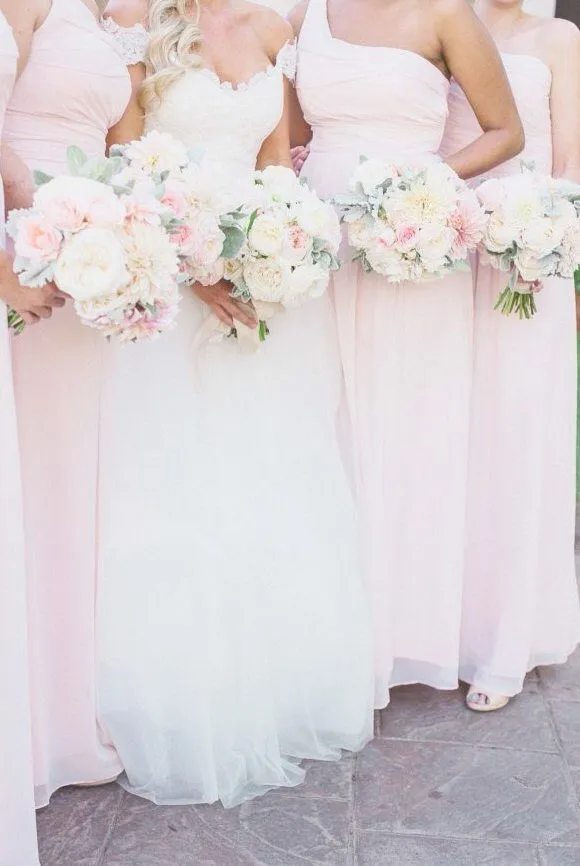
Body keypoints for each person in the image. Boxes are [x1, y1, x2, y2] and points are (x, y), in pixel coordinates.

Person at [95, 0, 374, 808]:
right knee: (175, 480)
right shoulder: (133, 21)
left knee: (270, 476)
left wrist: (276, 246)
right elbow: (126, 167)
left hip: (260, 294)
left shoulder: (274, 29)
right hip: (170, 284)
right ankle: (177, 694)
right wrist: (195, 268)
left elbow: (275, 165)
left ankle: (278, 683)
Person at [289, 0, 523, 707]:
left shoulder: (447, 13)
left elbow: (505, 131)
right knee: (327, 431)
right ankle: (331, 632)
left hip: (412, 244)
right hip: (320, 244)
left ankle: (407, 634)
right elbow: (298, 135)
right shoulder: (309, 13)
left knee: (410, 433)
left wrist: (425, 190)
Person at [0, 0, 140, 806]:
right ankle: (33, 719)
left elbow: (128, 151)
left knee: (81, 491)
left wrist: (143, 240)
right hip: (31, 262)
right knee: (36, 492)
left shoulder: (101, 15)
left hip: (93, 272)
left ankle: (68, 701)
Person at [440, 0, 580, 711]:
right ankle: (445, 626)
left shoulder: (558, 38)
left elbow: (569, 158)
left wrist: (547, 238)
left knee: (516, 441)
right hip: (438, 252)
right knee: (453, 443)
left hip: (525, 258)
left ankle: (506, 645)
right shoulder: (442, 26)